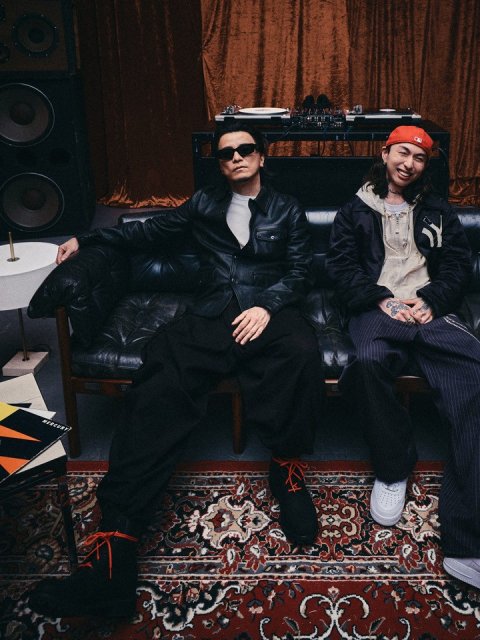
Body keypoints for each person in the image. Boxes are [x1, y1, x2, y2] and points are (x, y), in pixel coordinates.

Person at [30, 122, 324, 618]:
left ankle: (287, 469)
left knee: (301, 353)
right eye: (226, 153)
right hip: (211, 313)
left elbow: (300, 271)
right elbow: (144, 231)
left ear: (262, 157)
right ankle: (114, 546)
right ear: (220, 164)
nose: (236, 157)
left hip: (269, 313)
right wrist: (85, 237)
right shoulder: (202, 204)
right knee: (160, 373)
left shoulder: (287, 208)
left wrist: (268, 305)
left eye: (245, 149)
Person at [325, 125, 480, 622]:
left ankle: (476, 550)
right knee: (366, 364)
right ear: (385, 153)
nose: (408, 163)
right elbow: (341, 270)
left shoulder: (437, 210)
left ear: (425, 166)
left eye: (419, 157)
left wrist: (431, 300)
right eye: (402, 153)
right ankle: (393, 469)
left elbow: (457, 265)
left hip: (429, 310)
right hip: (377, 308)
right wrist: (381, 300)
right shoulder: (353, 210)